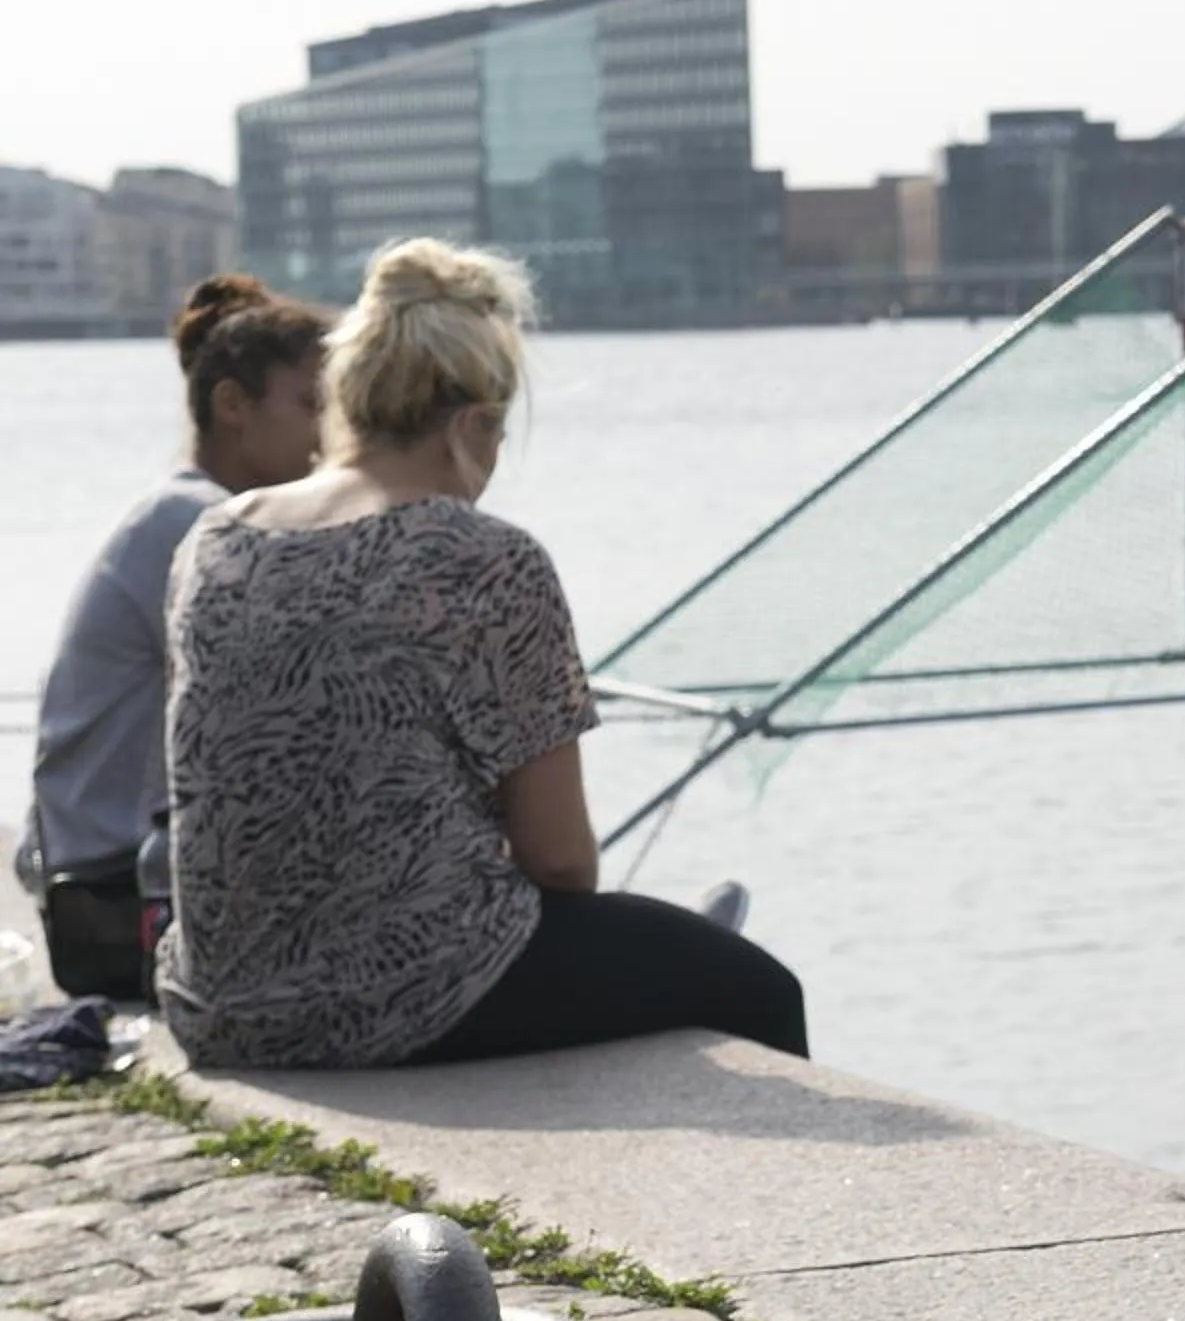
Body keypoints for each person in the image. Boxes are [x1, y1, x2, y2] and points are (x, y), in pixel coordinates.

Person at [156, 237, 806, 1069]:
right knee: (757, 987)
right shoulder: (486, 558)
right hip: (394, 999)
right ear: (472, 424)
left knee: (662, 946)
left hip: (220, 1005)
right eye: (498, 437)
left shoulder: (217, 535)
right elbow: (562, 862)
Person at [18, 276, 327, 1000]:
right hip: (121, 899)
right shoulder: (199, 525)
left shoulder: (180, 508)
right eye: (310, 404)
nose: (326, 432)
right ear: (232, 406)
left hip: (99, 878)